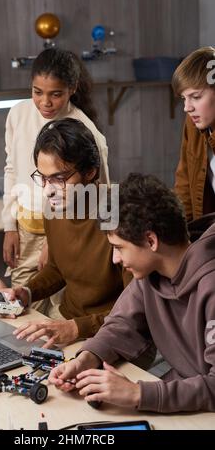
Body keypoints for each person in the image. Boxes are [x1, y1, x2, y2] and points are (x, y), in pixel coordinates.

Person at [49, 173, 215, 413]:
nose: (116, 258)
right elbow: (121, 324)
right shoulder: (150, 273)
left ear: (150, 240)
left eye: (119, 248)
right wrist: (85, 359)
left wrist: (138, 393)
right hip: (184, 396)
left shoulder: (210, 283)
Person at [11, 118, 126, 348]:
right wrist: (28, 292)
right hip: (66, 319)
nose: (48, 190)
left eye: (59, 178)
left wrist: (78, 328)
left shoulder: (121, 213)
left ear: (90, 172)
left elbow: (137, 307)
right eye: (43, 178)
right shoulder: (54, 207)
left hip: (113, 330)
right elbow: (57, 268)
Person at [2, 48, 110, 288]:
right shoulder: (18, 114)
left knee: (56, 310)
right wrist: (10, 226)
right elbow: (12, 170)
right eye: (37, 92)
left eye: (56, 94)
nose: (45, 102)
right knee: (20, 303)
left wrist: (55, 242)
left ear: (72, 89)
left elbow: (100, 195)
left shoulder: (87, 131)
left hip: (67, 233)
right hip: (25, 229)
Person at [173, 46, 215, 222]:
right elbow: (183, 185)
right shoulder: (193, 124)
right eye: (184, 98)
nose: (187, 108)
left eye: (196, 97)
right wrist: (183, 236)